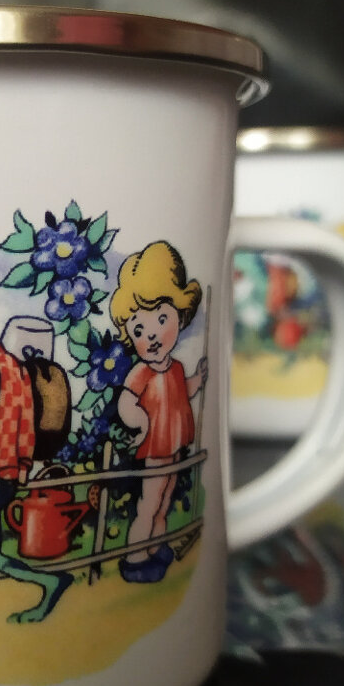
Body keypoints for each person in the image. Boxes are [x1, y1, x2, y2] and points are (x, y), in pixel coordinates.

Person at [109, 241, 207, 583]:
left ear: (180, 316)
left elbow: (184, 392)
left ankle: (156, 546)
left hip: (175, 445)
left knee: (164, 502)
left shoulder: (176, 368)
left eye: (161, 319)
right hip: (157, 448)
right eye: (138, 329)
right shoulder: (143, 372)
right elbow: (126, 401)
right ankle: (135, 558)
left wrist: (199, 379)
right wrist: (139, 420)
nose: (150, 335)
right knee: (149, 504)